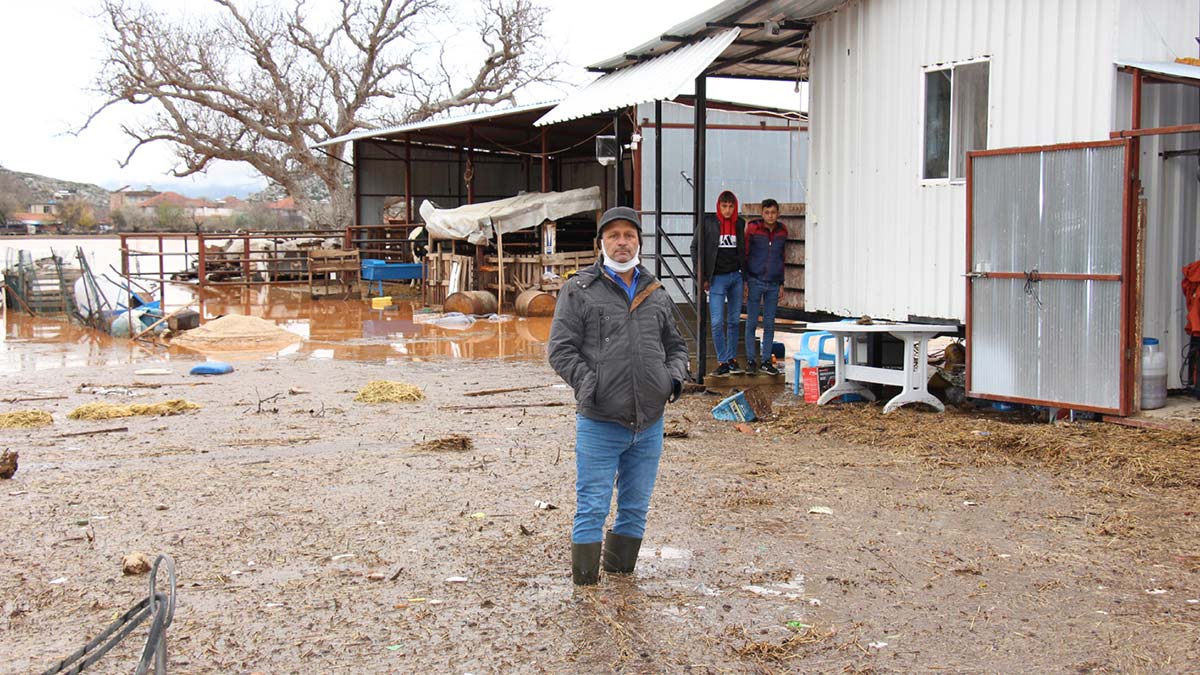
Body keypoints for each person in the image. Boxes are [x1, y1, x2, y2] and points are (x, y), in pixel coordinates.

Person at [548, 206, 689, 586]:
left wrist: (671, 381)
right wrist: (589, 385)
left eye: (629, 235)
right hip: (599, 422)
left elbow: (676, 347)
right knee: (592, 506)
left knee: (634, 508)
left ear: (638, 241)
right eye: (614, 235)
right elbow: (560, 350)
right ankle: (586, 587)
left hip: (649, 423)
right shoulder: (578, 289)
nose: (622, 242)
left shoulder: (655, 291)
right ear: (602, 243)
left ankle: (622, 580)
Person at [691, 190, 745, 376]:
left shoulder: (740, 223)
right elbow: (695, 247)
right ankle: (722, 360)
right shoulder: (708, 224)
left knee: (733, 321)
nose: (728, 210)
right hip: (717, 278)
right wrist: (702, 276)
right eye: (724, 206)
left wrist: (744, 276)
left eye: (731, 206)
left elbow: (743, 250)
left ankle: (731, 359)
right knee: (716, 322)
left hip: (736, 277)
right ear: (719, 207)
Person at [744, 199, 787, 376]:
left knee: (769, 323)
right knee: (752, 321)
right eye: (767, 212)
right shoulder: (754, 229)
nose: (770, 216)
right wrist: (745, 280)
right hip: (755, 280)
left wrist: (782, 283)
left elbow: (781, 257)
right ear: (762, 213)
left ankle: (766, 360)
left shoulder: (782, 231)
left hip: (774, 282)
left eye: (773, 212)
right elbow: (746, 253)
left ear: (778, 213)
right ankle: (751, 360)